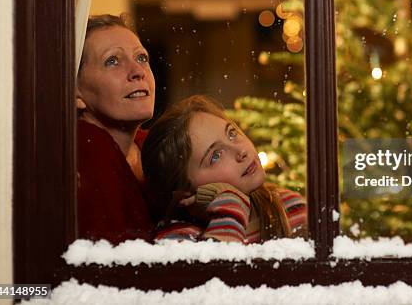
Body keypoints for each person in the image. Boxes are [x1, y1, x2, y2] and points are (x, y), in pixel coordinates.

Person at [142, 95, 306, 243]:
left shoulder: (290, 207)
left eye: (232, 133)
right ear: (184, 191)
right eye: (215, 156)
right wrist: (230, 205)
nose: (240, 151)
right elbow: (221, 275)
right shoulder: (178, 241)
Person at [77, 14, 156, 243]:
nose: (137, 71)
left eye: (142, 57)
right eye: (113, 61)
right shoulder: (81, 153)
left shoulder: (155, 148)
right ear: (76, 92)